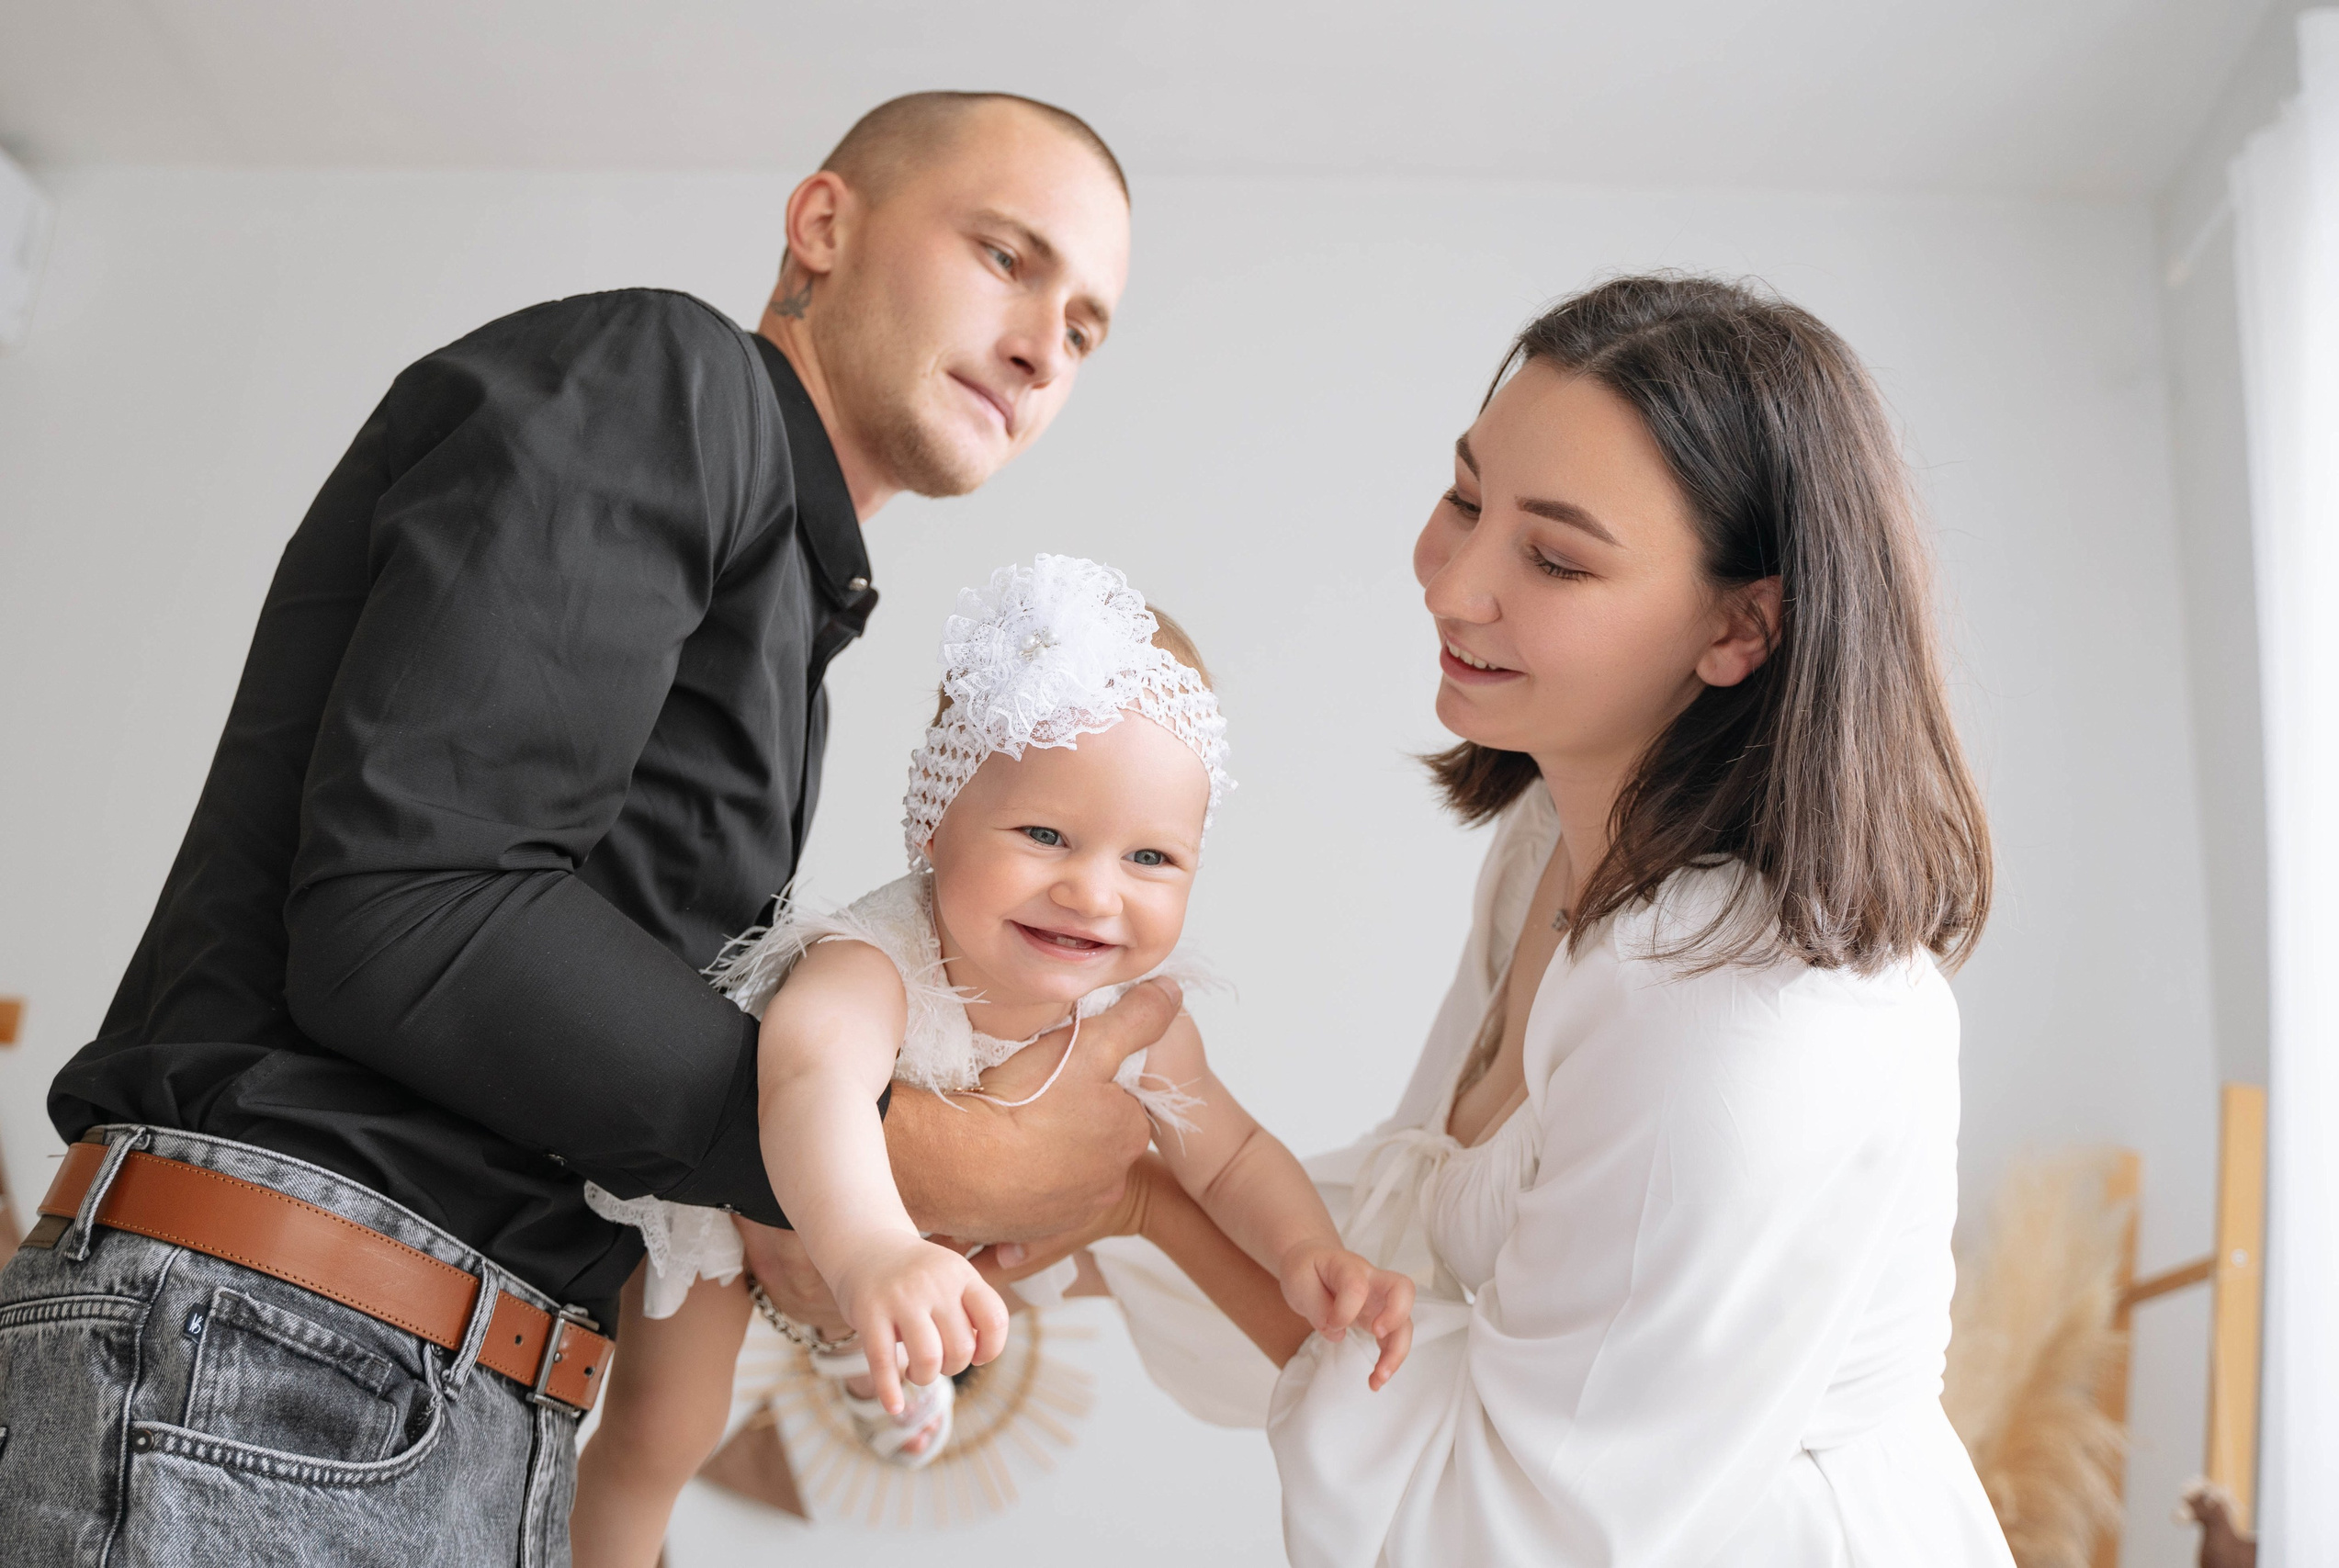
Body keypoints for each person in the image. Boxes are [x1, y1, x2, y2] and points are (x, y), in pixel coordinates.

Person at [0, 93, 1154, 1566]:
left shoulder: (787, 597)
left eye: (1088, 326)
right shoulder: (670, 380)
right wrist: (880, 1156)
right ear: (823, 226)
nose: (1046, 340)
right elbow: (415, 909)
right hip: (283, 1350)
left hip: (433, 1396)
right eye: (1007, 255)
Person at [1000, 274, 2016, 1565]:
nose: (1453, 582)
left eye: (1553, 555)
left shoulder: (1733, 1015)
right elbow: (1405, 1232)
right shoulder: (1554, 841)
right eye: (1467, 498)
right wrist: (1075, 1210)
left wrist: (1135, 1204)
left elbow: (1504, 1519)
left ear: (1742, 623)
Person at [571, 556, 1413, 1566]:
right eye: (1046, 835)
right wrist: (874, 1251)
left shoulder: (1129, 1014)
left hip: (931, 1246)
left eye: (1150, 858)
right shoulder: (874, 961)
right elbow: (809, 1084)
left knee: (969, 1282)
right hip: (747, 1220)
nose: (1093, 894)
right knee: (663, 1434)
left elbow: (1228, 1158)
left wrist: (1303, 1251)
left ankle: (877, 1354)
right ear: (935, 822)